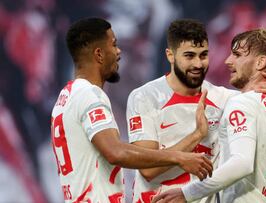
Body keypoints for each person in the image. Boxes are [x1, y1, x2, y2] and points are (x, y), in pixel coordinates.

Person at [126, 19, 266, 203]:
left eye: (203, 55)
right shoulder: (144, 96)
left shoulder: (229, 99)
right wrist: (196, 136)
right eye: (189, 56)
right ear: (170, 55)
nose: (198, 64)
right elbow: (147, 169)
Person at [50, 17, 213, 203]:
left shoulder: (66, 96)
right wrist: (179, 157)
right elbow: (115, 153)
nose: (118, 52)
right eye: (114, 44)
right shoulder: (89, 94)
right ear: (99, 54)